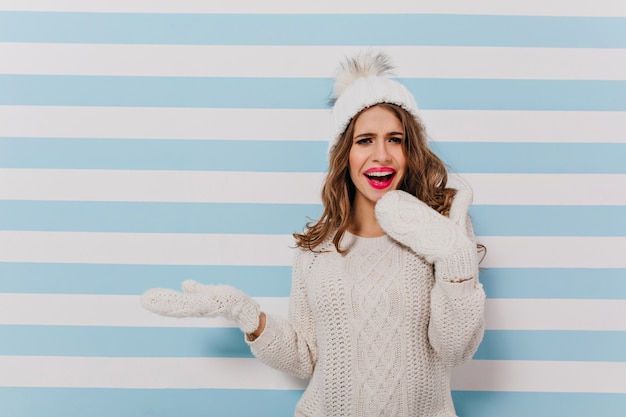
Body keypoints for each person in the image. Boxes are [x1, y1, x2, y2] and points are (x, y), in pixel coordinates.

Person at [141, 51, 486, 417]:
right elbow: (305, 357)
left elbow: (454, 349)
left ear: (411, 149)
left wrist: (455, 256)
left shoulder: (440, 232)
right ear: (344, 153)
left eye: (395, 139)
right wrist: (244, 313)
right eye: (365, 140)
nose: (381, 154)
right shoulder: (316, 247)